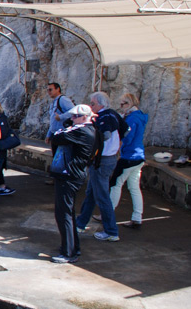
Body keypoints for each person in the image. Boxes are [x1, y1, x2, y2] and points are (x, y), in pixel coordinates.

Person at [49, 104, 97, 264]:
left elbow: (56, 137)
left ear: (84, 117)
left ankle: (68, 252)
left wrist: (67, 128)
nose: (71, 119)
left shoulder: (82, 131)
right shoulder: (90, 130)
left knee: (64, 214)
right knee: (67, 213)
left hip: (69, 175)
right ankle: (72, 247)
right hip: (74, 174)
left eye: (75, 116)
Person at [76, 91, 125, 242]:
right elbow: (125, 129)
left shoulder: (104, 117)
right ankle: (80, 223)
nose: (91, 106)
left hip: (102, 160)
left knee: (102, 196)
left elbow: (105, 135)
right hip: (107, 158)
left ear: (101, 104)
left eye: (93, 103)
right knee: (92, 192)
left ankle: (111, 231)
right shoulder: (114, 114)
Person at [109, 93, 148, 229]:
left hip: (129, 156)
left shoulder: (132, 119)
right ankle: (137, 217)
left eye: (123, 104)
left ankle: (108, 214)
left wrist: (118, 146)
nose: (121, 107)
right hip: (138, 156)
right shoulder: (140, 116)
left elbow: (128, 137)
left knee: (116, 184)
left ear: (131, 103)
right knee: (134, 187)